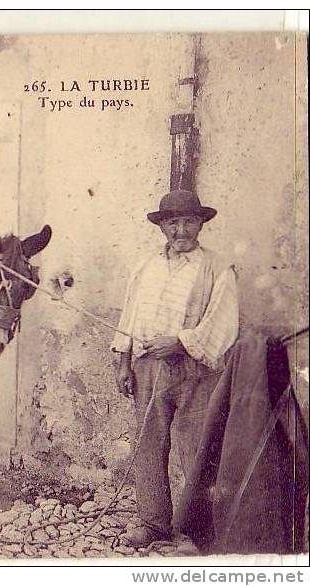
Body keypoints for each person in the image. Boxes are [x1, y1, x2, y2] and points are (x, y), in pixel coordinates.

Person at [111, 189, 239, 549]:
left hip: (194, 370)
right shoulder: (146, 267)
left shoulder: (218, 268)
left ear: (200, 224)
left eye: (188, 221)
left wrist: (181, 342)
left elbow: (223, 322)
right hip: (147, 367)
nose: (180, 229)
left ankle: (193, 533)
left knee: (195, 450)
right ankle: (153, 524)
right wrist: (124, 362)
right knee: (148, 445)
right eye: (172, 222)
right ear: (162, 227)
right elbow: (129, 316)